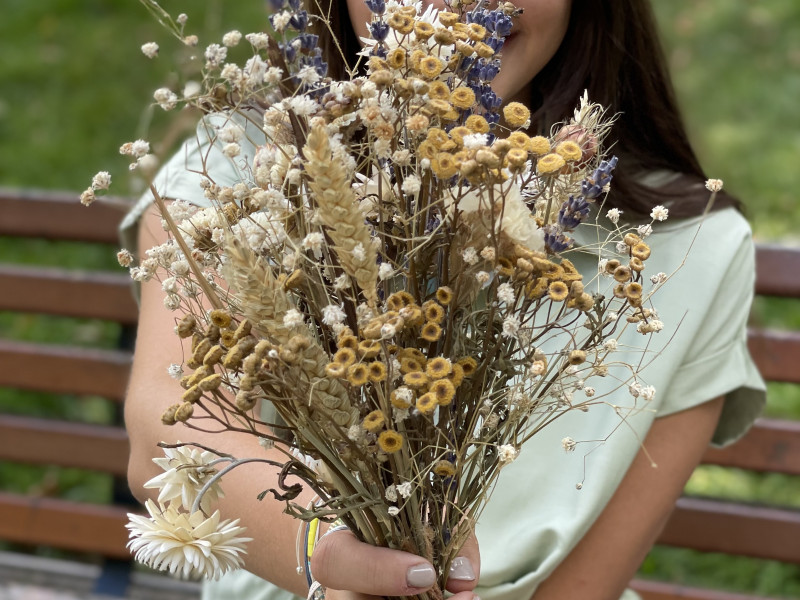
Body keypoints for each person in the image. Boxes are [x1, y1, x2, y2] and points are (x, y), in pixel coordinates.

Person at [122, 1, 766, 600]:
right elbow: (165, 430)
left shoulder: (693, 247)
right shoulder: (243, 168)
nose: (463, 5)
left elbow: (589, 580)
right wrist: (328, 557)